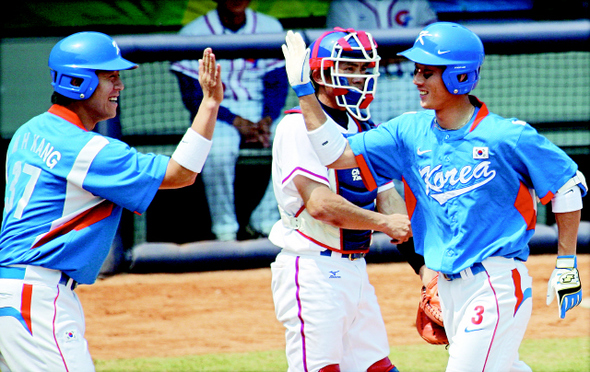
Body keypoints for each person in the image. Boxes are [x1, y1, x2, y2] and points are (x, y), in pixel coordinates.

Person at [282, 22, 586, 371]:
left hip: (495, 283)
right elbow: (335, 155)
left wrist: (566, 265)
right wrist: (305, 92)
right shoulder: (408, 131)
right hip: (448, 285)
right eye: (416, 71)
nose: (416, 80)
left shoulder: (506, 135)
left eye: (427, 72)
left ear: (459, 77)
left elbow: (567, 185)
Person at [0, 32, 223, 371]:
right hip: (36, 298)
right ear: (79, 81)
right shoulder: (88, 151)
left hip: (15, 287)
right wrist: (209, 104)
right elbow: (182, 173)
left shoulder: (28, 132)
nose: (119, 85)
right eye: (111, 77)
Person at [270, 28, 412, 372]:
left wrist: (402, 226)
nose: (359, 78)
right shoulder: (296, 126)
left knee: (376, 366)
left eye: (364, 70)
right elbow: (320, 205)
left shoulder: (363, 125)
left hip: (354, 268)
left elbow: (385, 193)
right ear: (318, 73)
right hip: (313, 268)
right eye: (348, 68)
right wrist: (383, 223)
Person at [171, 0, 289, 241]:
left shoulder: (269, 26)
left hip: (262, 111)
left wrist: (266, 119)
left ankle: (265, 220)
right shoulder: (193, 33)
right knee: (218, 149)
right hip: (217, 112)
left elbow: (277, 84)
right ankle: (225, 231)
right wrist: (236, 121)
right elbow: (193, 97)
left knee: (294, 138)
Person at [326, 0, 438, 124]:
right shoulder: (343, 4)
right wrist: (403, 53)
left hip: (409, 81)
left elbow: (432, 45)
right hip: (371, 83)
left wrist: (383, 55)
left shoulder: (416, 2)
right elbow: (342, 52)